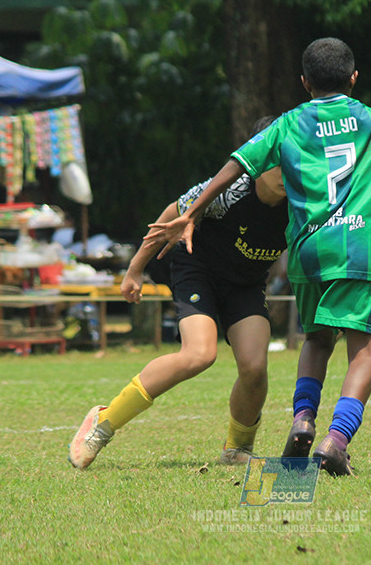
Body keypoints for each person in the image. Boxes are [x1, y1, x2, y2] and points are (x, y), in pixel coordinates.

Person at [144, 37, 371, 476]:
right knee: (364, 350)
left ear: (304, 82)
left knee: (317, 340)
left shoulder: (288, 124)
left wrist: (192, 211)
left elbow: (237, 163)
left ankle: (303, 418)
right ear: (354, 78)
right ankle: (337, 440)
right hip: (356, 250)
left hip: (307, 254)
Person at [67, 116, 289, 470]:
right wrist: (135, 268)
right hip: (197, 271)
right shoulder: (230, 191)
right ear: (258, 158)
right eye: (278, 157)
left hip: (245, 283)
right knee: (199, 355)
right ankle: (103, 422)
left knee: (254, 365)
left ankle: (237, 448)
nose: (288, 166)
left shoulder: (305, 201)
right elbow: (174, 213)